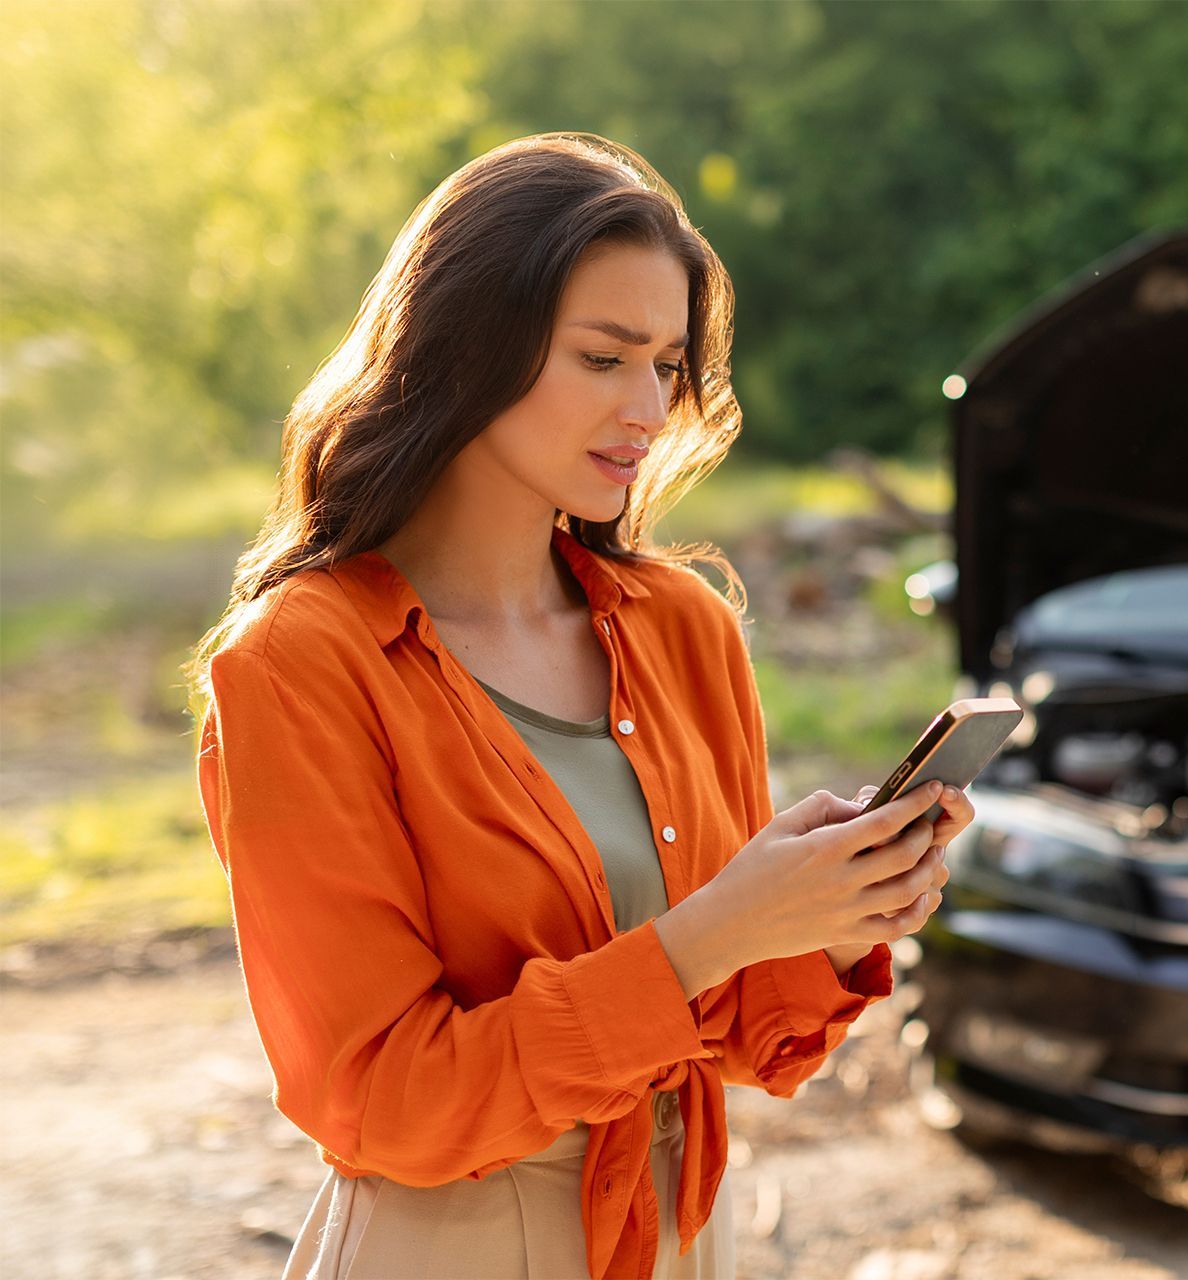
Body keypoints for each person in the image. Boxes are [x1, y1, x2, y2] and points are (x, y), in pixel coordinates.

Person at [184, 132, 971, 1279]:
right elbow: (380, 1100)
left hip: (681, 1238)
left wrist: (838, 912)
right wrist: (712, 932)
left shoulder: (681, 625)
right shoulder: (303, 664)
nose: (649, 407)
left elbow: (743, 1027)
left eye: (666, 364)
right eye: (603, 357)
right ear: (466, 349)